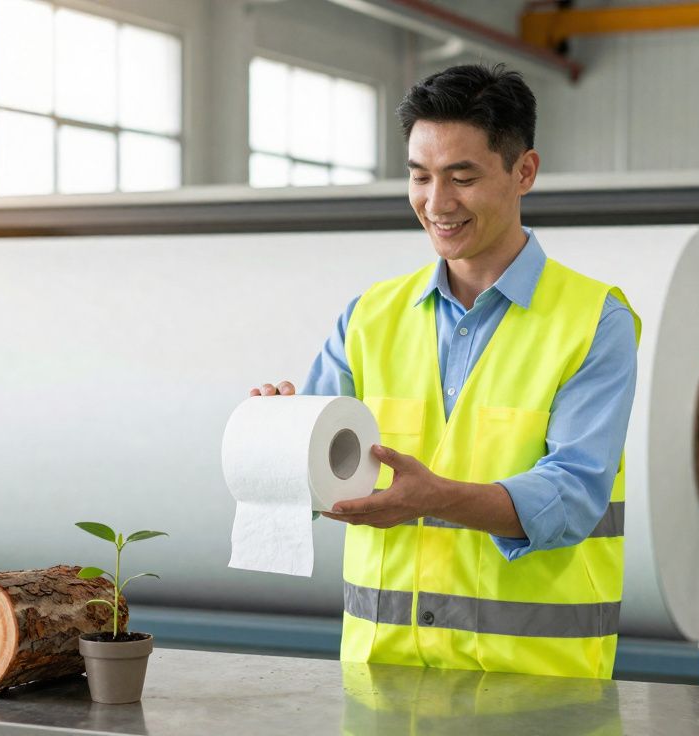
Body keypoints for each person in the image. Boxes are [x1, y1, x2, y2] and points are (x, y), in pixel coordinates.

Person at [250, 64, 639, 679]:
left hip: (537, 685)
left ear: (524, 172)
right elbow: (316, 474)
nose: (436, 203)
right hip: (382, 678)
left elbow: (573, 494)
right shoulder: (369, 316)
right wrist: (277, 435)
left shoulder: (594, 320)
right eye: (420, 176)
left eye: (462, 177)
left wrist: (436, 499)